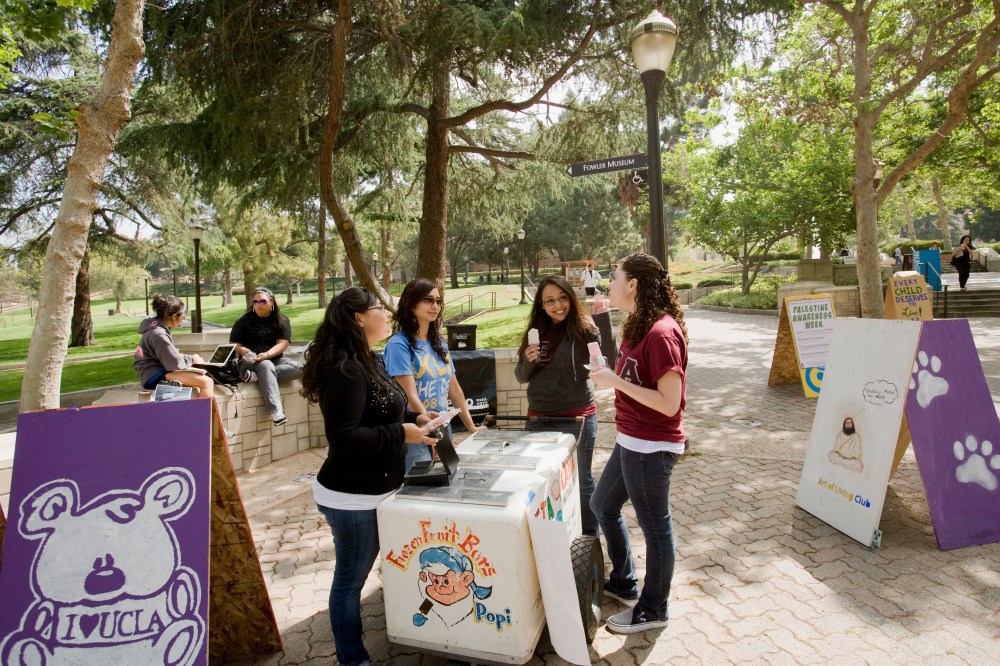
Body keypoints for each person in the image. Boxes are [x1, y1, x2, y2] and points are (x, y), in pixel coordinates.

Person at [299, 287, 436, 666]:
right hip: (352, 497)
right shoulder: (346, 371)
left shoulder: (368, 360)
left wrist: (415, 419)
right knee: (349, 582)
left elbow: (381, 415)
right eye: (379, 306)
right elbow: (344, 437)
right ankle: (352, 658)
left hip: (378, 488)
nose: (388, 311)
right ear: (359, 318)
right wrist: (401, 434)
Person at [589, 252, 688, 634]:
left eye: (614, 277)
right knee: (602, 505)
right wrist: (608, 367)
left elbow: (668, 403)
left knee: (656, 529)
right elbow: (631, 370)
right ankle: (625, 582)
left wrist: (613, 382)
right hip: (631, 440)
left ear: (633, 284)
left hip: (652, 447)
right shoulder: (638, 323)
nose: (608, 282)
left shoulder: (663, 332)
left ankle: (653, 608)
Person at [514, 275, 600, 537]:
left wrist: (603, 325)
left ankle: (588, 541)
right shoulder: (535, 332)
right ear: (541, 305)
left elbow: (605, 364)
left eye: (562, 298)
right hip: (539, 418)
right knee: (542, 482)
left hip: (577, 416)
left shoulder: (586, 330)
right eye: (550, 301)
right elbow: (521, 375)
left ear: (571, 298)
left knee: (581, 481)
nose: (558, 306)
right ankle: (551, 538)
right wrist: (528, 360)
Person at [384, 279, 487, 471]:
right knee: (419, 493)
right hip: (416, 432)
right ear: (411, 303)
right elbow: (410, 396)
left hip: (440, 429)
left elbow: (454, 389)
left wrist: (471, 426)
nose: (435, 306)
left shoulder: (439, 343)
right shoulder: (399, 345)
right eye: (428, 300)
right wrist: (435, 434)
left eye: (438, 301)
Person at [230, 287, 302, 425]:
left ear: (271, 302)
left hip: (275, 359)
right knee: (266, 365)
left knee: (299, 368)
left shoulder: (281, 320)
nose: (258, 304)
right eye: (255, 301)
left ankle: (257, 378)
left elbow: (283, 344)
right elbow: (234, 344)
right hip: (250, 360)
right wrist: (247, 352)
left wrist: (267, 354)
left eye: (262, 301)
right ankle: (276, 411)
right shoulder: (243, 320)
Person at [134, 294, 214, 396]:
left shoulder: (155, 330)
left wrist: (188, 359)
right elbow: (174, 363)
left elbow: (170, 357)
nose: (184, 317)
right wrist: (192, 359)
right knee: (206, 382)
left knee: (198, 381)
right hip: (153, 376)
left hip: (152, 373)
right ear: (174, 316)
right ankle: (206, 412)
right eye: (183, 315)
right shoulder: (159, 335)